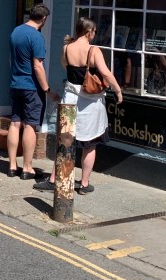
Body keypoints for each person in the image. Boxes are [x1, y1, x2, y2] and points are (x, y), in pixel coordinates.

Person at [34, 17, 126, 194]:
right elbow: (105, 73)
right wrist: (118, 90)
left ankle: (54, 179)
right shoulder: (93, 50)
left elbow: (65, 65)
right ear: (89, 31)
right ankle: (84, 184)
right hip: (89, 103)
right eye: (95, 31)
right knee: (90, 143)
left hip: (70, 98)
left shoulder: (67, 48)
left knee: (65, 141)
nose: (95, 34)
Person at [6, 4, 56, 179]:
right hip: (31, 87)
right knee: (30, 125)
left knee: (14, 123)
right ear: (43, 19)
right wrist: (47, 89)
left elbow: (11, 59)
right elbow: (38, 66)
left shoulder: (15, 31)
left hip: (15, 83)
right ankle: (27, 168)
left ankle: (12, 165)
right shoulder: (37, 37)